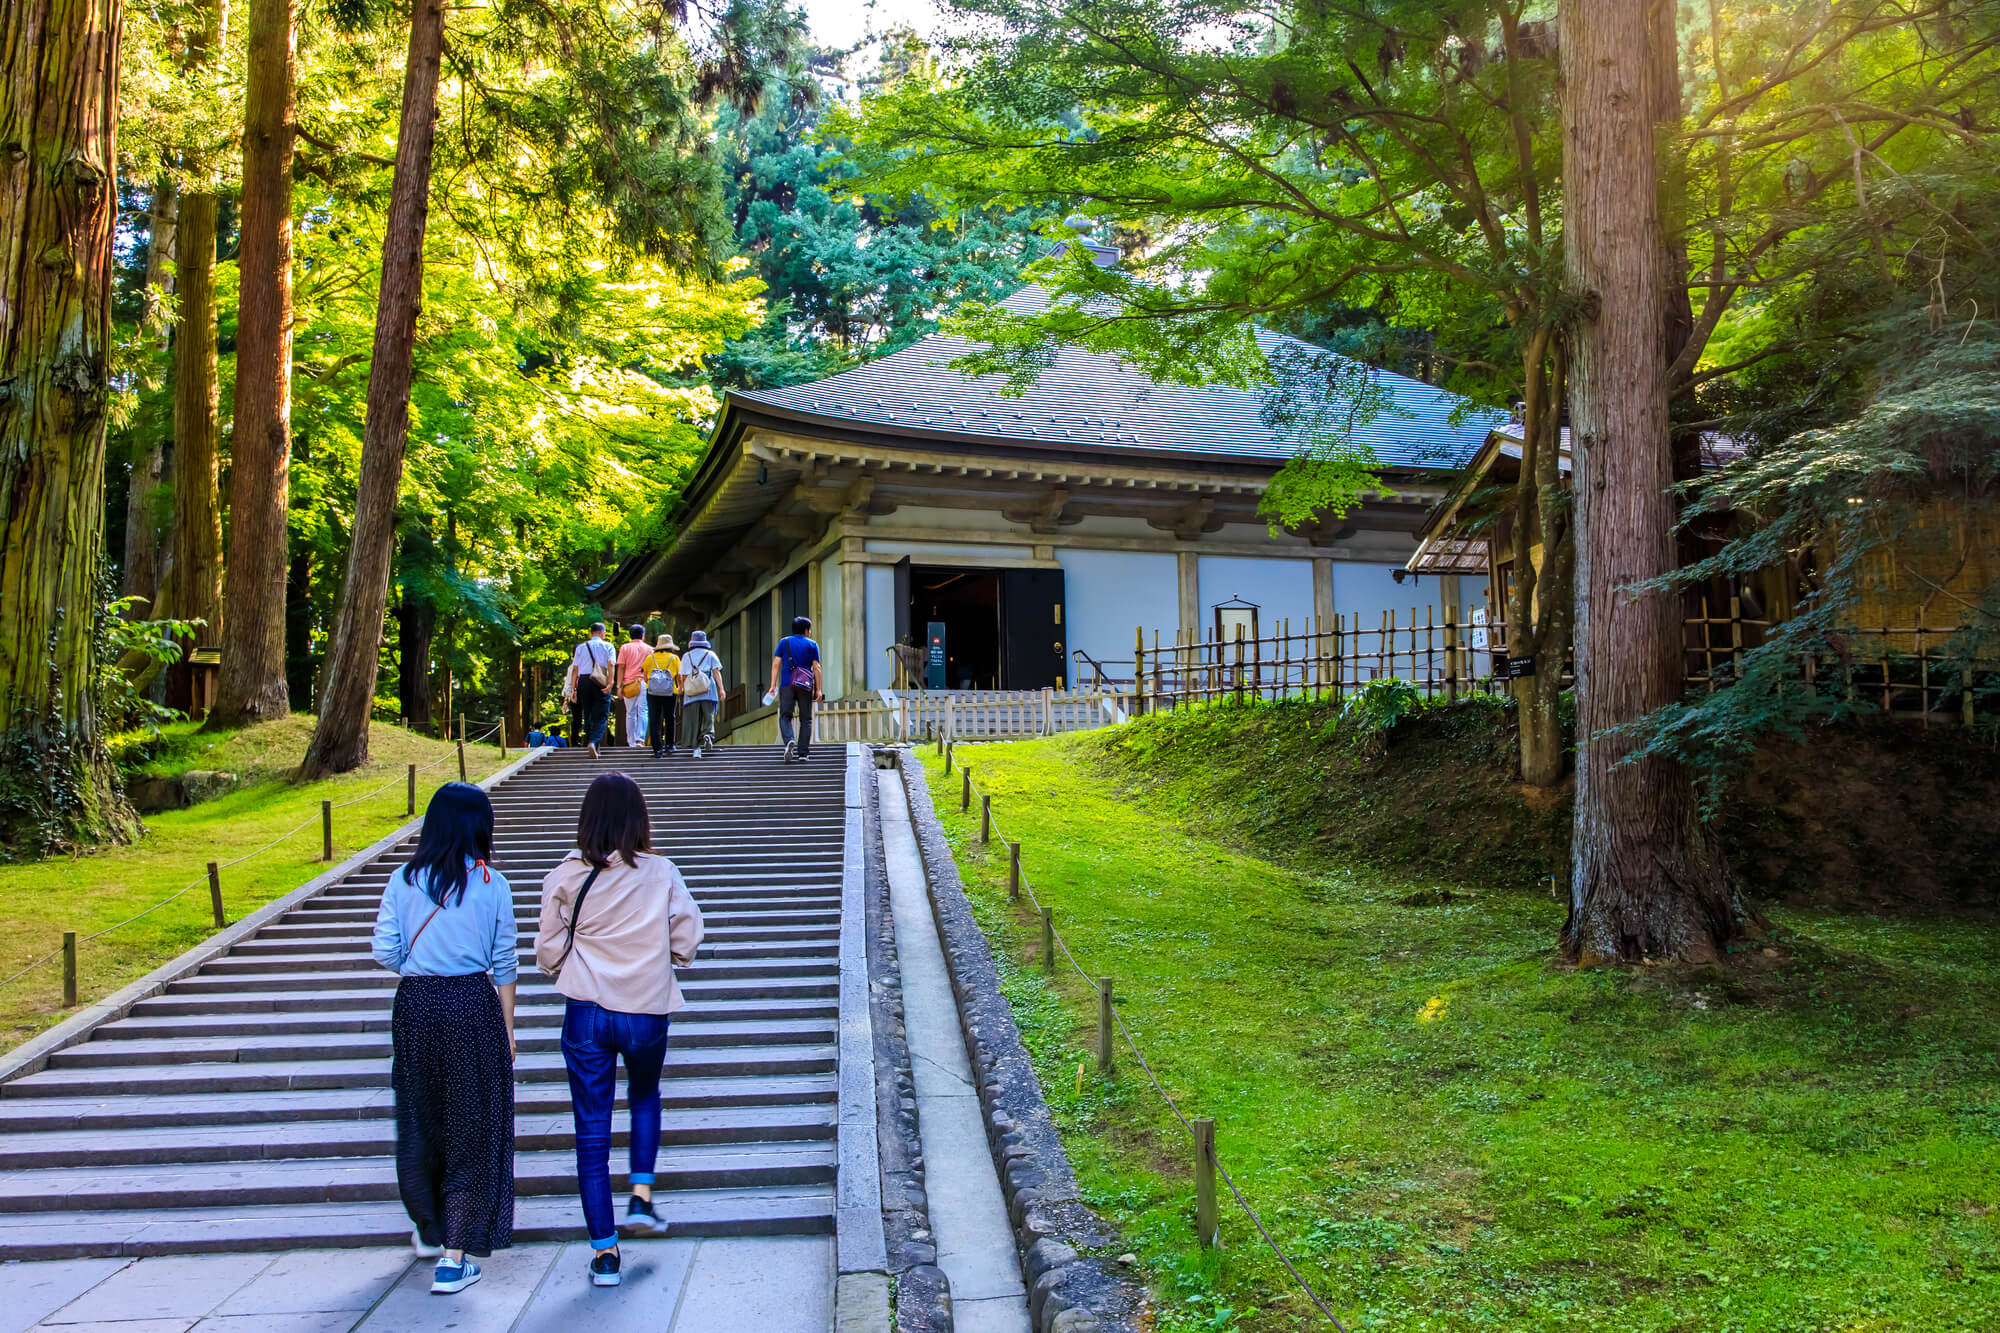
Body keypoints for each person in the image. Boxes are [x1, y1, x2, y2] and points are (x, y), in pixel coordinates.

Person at [535, 773, 704, 1287]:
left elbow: (545, 950)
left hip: (586, 1010)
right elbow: (688, 937)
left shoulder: (565, 875)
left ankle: (605, 1254)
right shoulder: (661, 871)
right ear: (639, 818)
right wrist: (661, 954)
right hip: (646, 1010)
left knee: (591, 1130)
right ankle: (642, 1194)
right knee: (646, 1096)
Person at [371, 782, 517, 1295]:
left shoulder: (402, 880)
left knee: (419, 1119)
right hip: (473, 1007)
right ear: (481, 827)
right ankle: (455, 1258)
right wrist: (508, 1030)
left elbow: (385, 952)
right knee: (471, 1129)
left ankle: (430, 1228)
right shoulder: (491, 882)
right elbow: (504, 963)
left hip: (415, 1006)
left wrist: (420, 965)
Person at [767, 616, 823, 764]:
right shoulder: (812, 644)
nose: (810, 632)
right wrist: (819, 689)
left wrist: (773, 685)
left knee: (785, 716)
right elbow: (816, 667)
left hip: (787, 684)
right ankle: (803, 753)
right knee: (806, 719)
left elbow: (776, 664)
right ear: (806, 630)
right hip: (805, 685)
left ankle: (789, 741)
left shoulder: (783, 642)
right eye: (809, 629)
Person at [569, 622, 615, 757]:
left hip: (583, 681)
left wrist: (573, 689)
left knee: (588, 713)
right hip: (599, 681)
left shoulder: (581, 647)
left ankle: (591, 745)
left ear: (590, 634)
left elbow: (575, 669)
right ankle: (593, 742)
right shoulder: (608, 646)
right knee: (601, 715)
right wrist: (610, 683)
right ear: (603, 633)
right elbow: (611, 664)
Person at [676, 631, 724, 758]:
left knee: (693, 720)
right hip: (708, 689)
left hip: (691, 692)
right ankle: (708, 734)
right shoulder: (710, 654)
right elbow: (716, 673)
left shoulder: (686, 656)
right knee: (708, 716)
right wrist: (722, 689)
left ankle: (696, 748)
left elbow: (683, 676)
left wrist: (680, 689)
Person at [644, 634, 681, 759]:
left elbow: (645, 677)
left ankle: (657, 749)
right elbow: (679, 676)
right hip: (670, 692)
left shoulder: (649, 658)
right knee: (670, 718)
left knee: (654, 719)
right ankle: (670, 745)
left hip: (652, 692)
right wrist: (680, 688)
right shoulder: (674, 658)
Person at [615, 624, 652, 749]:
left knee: (630, 713)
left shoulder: (625, 648)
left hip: (628, 684)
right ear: (643, 635)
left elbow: (621, 667)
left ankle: (631, 742)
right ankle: (640, 739)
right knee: (643, 711)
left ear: (630, 635)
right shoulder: (649, 649)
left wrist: (619, 686)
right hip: (643, 682)